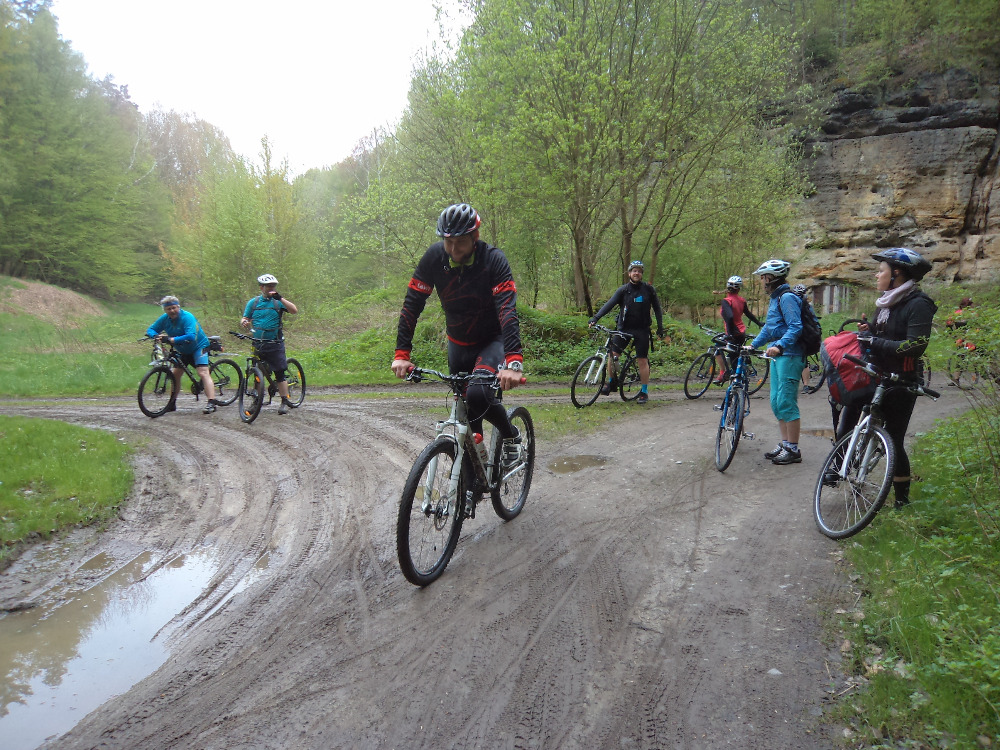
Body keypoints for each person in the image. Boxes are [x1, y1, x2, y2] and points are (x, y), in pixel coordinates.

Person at [391, 203, 525, 465]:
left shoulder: (493, 260)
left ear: (475, 237)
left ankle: (511, 435)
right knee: (467, 417)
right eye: (448, 242)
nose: (453, 250)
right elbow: (411, 306)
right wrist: (402, 353)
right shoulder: (434, 258)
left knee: (477, 395)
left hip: (491, 341)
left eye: (460, 242)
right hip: (458, 343)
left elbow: (507, 310)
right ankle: (474, 478)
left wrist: (514, 362)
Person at [829, 248, 936, 508]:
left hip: (902, 380)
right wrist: (870, 331)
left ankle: (902, 501)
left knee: (893, 439)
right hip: (874, 373)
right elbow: (882, 335)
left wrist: (874, 340)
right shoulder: (887, 302)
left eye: (881, 271)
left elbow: (915, 346)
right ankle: (840, 468)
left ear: (897, 274)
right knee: (847, 421)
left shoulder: (918, 304)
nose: (877, 275)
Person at [749, 259, 805, 465]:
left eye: (764, 277)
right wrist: (753, 345)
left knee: (786, 401)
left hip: (790, 354)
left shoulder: (787, 298)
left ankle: (793, 449)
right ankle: (785, 443)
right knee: (776, 402)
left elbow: (795, 327)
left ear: (773, 278)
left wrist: (780, 345)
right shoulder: (775, 299)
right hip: (778, 355)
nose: (762, 281)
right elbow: (769, 328)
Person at [588, 260, 664, 405]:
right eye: (634, 271)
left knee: (642, 360)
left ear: (641, 274)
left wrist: (660, 327)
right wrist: (596, 318)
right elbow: (609, 304)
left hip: (642, 330)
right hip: (624, 329)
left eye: (639, 271)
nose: (637, 273)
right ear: (629, 273)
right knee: (612, 355)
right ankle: (612, 382)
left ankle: (644, 391)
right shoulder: (623, 290)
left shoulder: (649, 290)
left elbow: (657, 309)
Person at [146, 296, 219, 414]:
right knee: (175, 375)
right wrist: (156, 336)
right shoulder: (165, 319)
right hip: (182, 349)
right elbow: (151, 329)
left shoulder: (187, 317)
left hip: (198, 346)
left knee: (203, 372)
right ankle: (171, 403)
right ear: (165, 310)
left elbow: (191, 336)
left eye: (174, 307)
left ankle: (212, 402)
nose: (172, 311)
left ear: (178, 307)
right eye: (168, 309)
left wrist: (171, 339)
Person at [241, 274, 300, 415]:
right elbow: (245, 317)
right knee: (257, 373)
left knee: (279, 373)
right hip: (258, 343)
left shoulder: (278, 302)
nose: (271, 288)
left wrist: (281, 298)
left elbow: (294, 310)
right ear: (261, 287)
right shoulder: (253, 303)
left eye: (273, 286)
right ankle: (256, 402)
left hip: (275, 342)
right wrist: (244, 321)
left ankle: (284, 400)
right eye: (269, 286)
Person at [713, 275, 762, 385]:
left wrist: (730, 334)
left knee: (718, 348)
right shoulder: (741, 300)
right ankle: (738, 379)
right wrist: (759, 323)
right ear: (739, 289)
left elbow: (730, 318)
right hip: (741, 333)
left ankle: (723, 374)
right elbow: (748, 314)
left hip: (733, 333)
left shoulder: (726, 301)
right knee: (733, 356)